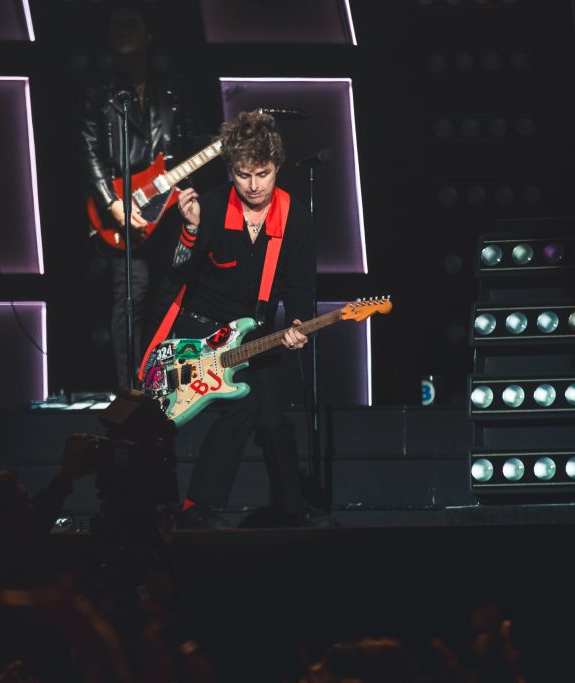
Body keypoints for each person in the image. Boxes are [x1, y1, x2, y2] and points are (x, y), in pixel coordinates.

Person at [142, 110, 338, 529]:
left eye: (263, 174)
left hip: (255, 330)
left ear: (277, 167)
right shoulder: (211, 207)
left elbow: (300, 289)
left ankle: (291, 507)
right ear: (231, 171)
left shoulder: (295, 217)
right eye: (244, 175)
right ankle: (197, 508)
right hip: (200, 328)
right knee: (244, 406)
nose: (253, 186)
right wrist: (190, 231)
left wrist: (299, 324)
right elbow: (178, 272)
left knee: (273, 420)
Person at [80, 1, 205, 393]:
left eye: (131, 24)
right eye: (116, 25)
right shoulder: (100, 92)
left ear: (148, 35)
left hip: (168, 209)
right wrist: (111, 202)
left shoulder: (174, 88)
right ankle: (129, 390)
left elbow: (185, 145)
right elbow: (87, 147)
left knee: (173, 294)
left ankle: (168, 385)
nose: (122, 31)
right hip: (123, 210)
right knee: (128, 300)